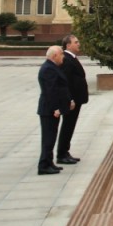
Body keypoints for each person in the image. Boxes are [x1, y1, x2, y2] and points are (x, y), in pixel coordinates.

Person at [36, 45, 72, 175]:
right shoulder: (48, 69)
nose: (63, 57)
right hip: (49, 109)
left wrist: (68, 101)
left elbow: (60, 88)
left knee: (51, 137)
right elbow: (50, 91)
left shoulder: (52, 67)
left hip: (52, 108)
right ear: (55, 55)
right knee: (48, 138)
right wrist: (56, 108)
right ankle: (43, 165)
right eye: (62, 54)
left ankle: (49, 163)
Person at [56, 34, 88, 166]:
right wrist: (70, 99)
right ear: (68, 45)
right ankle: (62, 154)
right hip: (71, 101)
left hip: (76, 99)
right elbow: (65, 81)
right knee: (67, 126)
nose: (78, 44)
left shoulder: (71, 58)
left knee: (70, 126)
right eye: (76, 42)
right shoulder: (67, 59)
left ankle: (65, 152)